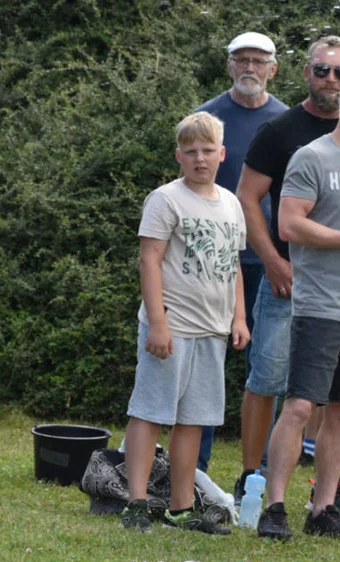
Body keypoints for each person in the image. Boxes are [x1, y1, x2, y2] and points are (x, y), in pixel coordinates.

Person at [255, 70, 340, 542]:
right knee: (298, 405)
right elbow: (290, 225)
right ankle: (273, 507)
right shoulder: (311, 157)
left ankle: (323, 509)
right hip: (318, 304)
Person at [234, 36, 340, 513]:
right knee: (267, 378)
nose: (331, 80)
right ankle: (251, 477)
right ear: (304, 73)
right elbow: (247, 197)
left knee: (335, 390)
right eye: (322, 70)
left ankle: (328, 489)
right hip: (287, 277)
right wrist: (272, 259)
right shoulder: (280, 129)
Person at [119, 111, 249, 534]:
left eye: (208, 151)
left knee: (194, 419)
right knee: (150, 412)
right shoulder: (165, 199)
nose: (199, 159)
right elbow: (150, 259)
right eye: (190, 152)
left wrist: (239, 317)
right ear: (178, 156)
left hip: (212, 329)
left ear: (222, 154)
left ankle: (180, 507)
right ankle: (136, 503)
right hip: (171, 328)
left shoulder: (231, 203)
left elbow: (234, 266)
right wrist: (157, 322)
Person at [194, 31, 288, 473]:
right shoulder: (206, 118)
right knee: (206, 362)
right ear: (229, 65)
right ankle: (195, 466)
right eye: (241, 60)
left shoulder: (287, 122)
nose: (250, 67)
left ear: (273, 68)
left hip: (271, 259)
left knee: (269, 368)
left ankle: (262, 473)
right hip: (215, 259)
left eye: (258, 60)